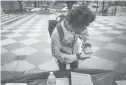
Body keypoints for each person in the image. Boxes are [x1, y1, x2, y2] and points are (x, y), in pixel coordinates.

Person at [51, 5, 96, 71]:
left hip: (75, 53)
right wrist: (76, 57)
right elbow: (56, 54)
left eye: (85, 28)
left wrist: (87, 45)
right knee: (62, 73)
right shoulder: (57, 33)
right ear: (70, 25)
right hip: (62, 56)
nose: (83, 31)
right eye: (80, 31)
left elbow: (86, 35)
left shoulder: (81, 25)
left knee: (75, 71)